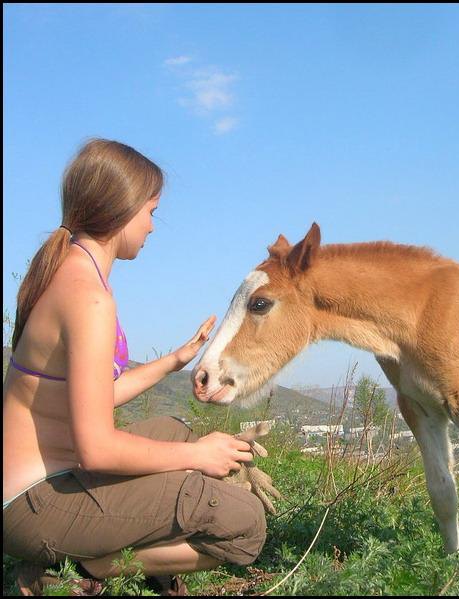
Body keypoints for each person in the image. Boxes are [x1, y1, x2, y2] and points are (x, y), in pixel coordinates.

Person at [3, 139, 267, 595]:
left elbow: (90, 397)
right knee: (246, 527)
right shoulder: (89, 298)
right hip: (33, 503)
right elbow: (98, 451)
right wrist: (198, 457)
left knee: (174, 429)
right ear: (121, 210)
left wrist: (172, 362)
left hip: (43, 481)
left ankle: (136, 558)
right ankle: (81, 572)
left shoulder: (70, 271)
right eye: (150, 211)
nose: (151, 226)